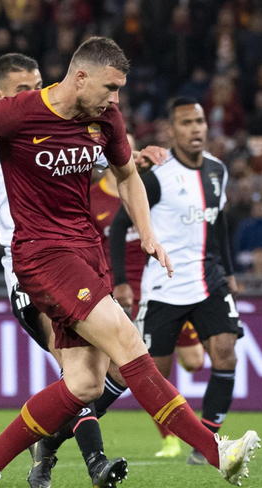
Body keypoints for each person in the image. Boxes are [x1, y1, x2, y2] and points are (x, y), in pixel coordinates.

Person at [0, 37, 260, 488]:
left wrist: (147, 234)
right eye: (110, 88)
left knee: (84, 383)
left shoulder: (105, 118)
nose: (116, 99)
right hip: (42, 256)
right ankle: (215, 450)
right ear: (80, 77)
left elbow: (127, 175)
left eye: (119, 90)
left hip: (87, 251)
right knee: (128, 342)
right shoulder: (18, 114)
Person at [0, 52, 141, 488]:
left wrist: (139, 159)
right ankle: (96, 461)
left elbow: (113, 169)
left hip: (78, 262)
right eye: (21, 90)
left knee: (115, 373)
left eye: (37, 86)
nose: (33, 95)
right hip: (30, 271)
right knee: (78, 368)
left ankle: (47, 444)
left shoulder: (67, 126)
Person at [110, 97, 243, 466]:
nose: (195, 129)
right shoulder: (157, 176)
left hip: (209, 280)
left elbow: (219, 222)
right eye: (186, 123)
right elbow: (120, 226)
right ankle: (76, 419)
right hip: (164, 286)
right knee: (148, 373)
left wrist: (230, 272)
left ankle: (207, 439)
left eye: (199, 121)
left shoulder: (217, 170)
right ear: (172, 131)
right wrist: (121, 281)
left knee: (225, 351)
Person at [88, 157, 207, 460]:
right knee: (142, 366)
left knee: (195, 360)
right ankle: (169, 439)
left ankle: (73, 420)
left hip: (161, 285)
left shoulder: (147, 189)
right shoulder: (93, 197)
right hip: (120, 291)